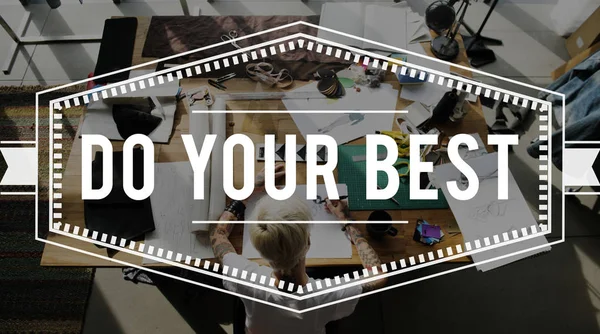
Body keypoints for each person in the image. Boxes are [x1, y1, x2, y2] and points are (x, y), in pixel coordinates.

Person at [209, 164, 387, 334]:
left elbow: (218, 235)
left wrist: (247, 191)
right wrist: (346, 220)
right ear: (308, 242)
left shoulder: (244, 276)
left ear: (260, 250)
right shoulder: (326, 296)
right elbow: (379, 276)